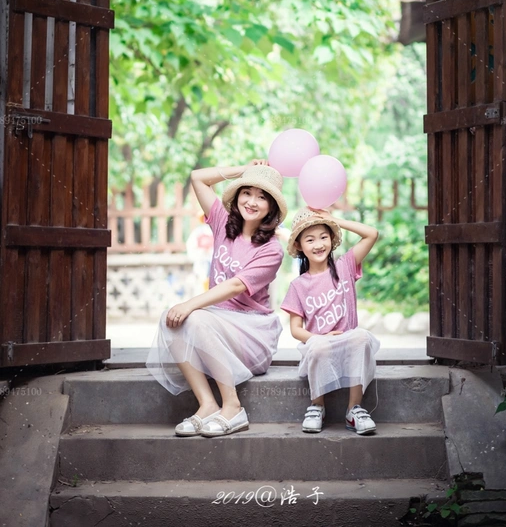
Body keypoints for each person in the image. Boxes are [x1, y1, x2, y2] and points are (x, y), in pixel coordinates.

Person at [145, 159, 287, 438]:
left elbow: (235, 286)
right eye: (246, 192)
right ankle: (208, 404)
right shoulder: (223, 223)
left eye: (262, 197)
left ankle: (233, 407)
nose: (252, 201)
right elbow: (197, 177)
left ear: (271, 207)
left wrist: (190, 303)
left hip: (252, 335)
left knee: (193, 316)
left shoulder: (272, 249)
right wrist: (244, 170)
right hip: (215, 326)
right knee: (170, 319)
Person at [280, 206, 380, 435]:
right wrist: (320, 337)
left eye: (324, 237)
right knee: (318, 345)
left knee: (361, 336)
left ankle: (354, 410)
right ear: (299, 245)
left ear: (331, 239)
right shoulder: (298, 286)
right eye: (310, 239)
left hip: (348, 344)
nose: (318, 244)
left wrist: (334, 220)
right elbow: (296, 330)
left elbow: (371, 234)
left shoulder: (345, 266)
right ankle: (317, 407)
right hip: (320, 348)